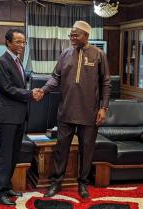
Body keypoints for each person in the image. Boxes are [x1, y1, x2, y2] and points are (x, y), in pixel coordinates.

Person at [35, 20, 111, 198]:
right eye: (70, 35)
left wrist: (104, 108)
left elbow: (106, 83)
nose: (72, 38)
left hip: (89, 113)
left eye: (75, 35)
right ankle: (56, 183)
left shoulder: (99, 54)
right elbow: (55, 78)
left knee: (87, 150)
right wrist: (43, 91)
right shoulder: (65, 54)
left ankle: (83, 184)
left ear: (86, 35)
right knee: (61, 150)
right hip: (66, 111)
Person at [0, 29, 39, 206]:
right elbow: (7, 88)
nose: (22, 45)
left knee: (14, 154)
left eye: (24, 42)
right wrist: (30, 93)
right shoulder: (2, 62)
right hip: (7, 116)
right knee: (6, 155)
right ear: (8, 42)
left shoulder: (17, 60)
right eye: (18, 41)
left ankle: (6, 187)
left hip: (18, 115)